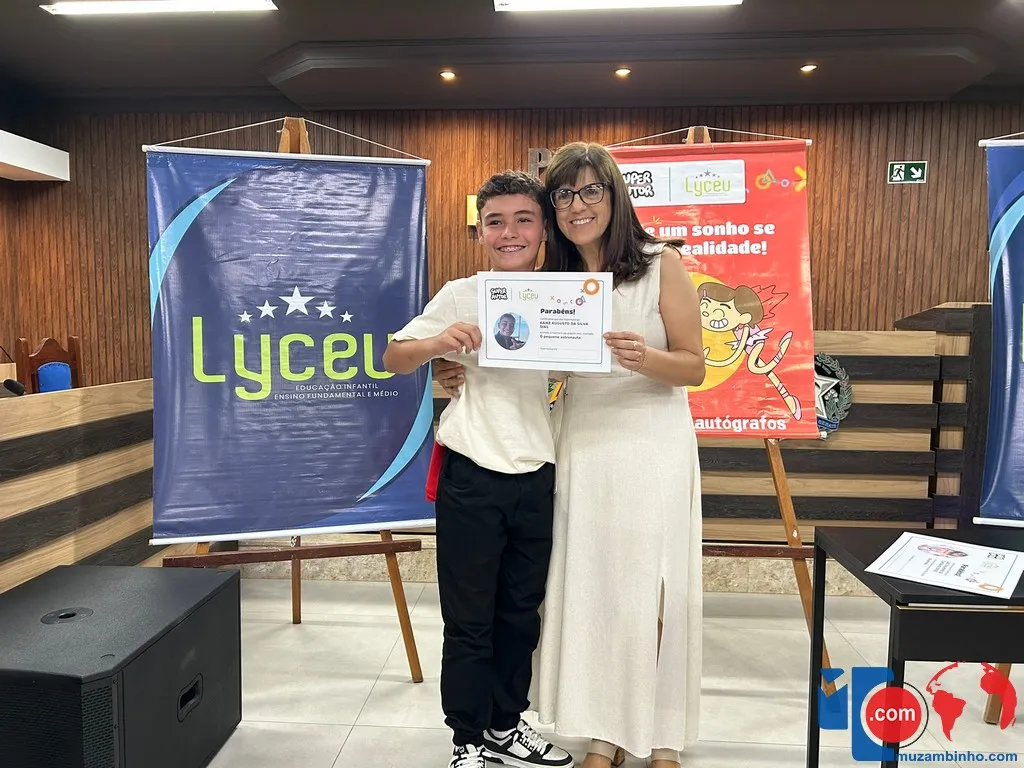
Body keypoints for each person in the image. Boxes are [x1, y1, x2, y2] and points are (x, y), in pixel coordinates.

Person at [435, 142, 706, 768]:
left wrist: (646, 358)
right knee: (597, 588)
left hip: (650, 440)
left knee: (653, 588)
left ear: (614, 196)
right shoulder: (551, 282)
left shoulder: (661, 264)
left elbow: (694, 366)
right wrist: (451, 369)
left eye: (590, 191)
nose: (578, 205)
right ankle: (607, 732)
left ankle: (661, 734)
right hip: (578, 440)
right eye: (563, 194)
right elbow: (520, 360)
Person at [382, 170, 573, 768]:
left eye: (523, 220)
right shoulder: (463, 293)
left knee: (520, 614)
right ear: (480, 232)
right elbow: (393, 357)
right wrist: (440, 345)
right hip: (472, 473)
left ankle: (506, 724)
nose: (509, 232)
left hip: (539, 473)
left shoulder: (571, 295)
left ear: (543, 229)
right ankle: (466, 738)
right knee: (469, 620)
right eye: (495, 222)